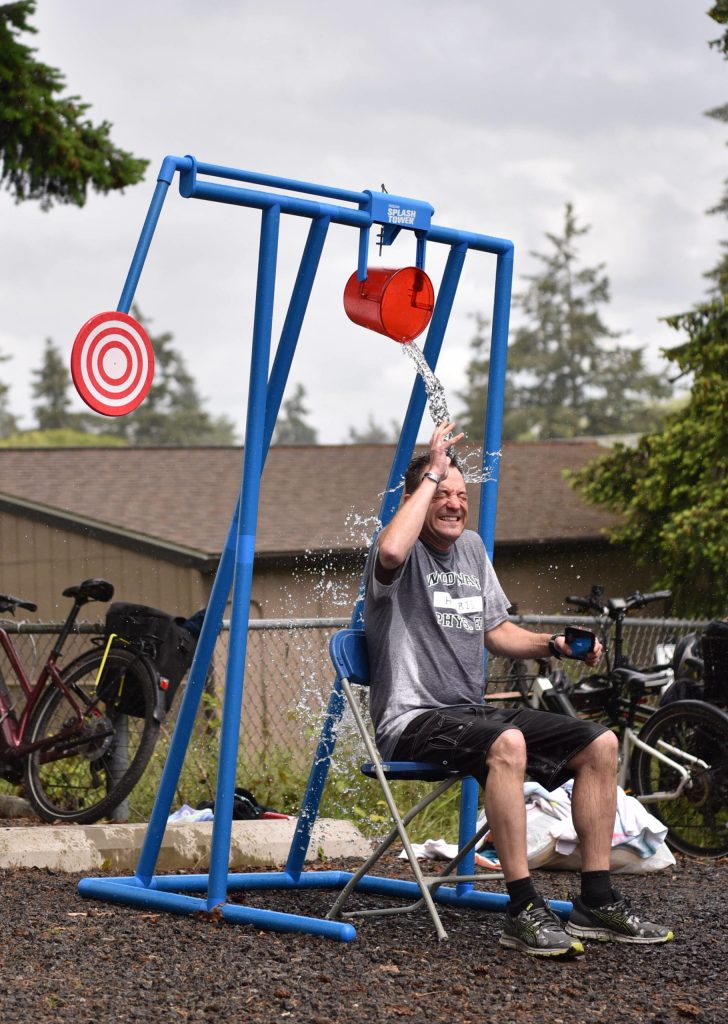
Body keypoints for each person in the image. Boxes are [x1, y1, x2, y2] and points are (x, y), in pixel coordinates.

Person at [364, 421, 673, 958]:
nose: (456, 504)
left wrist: (553, 644)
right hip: (411, 720)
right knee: (507, 746)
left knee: (599, 743)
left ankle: (595, 900)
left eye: (463, 495)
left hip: (468, 713)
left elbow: (496, 632)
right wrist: (432, 470)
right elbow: (390, 551)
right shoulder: (398, 551)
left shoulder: (473, 549)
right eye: (443, 493)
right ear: (419, 495)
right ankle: (522, 907)